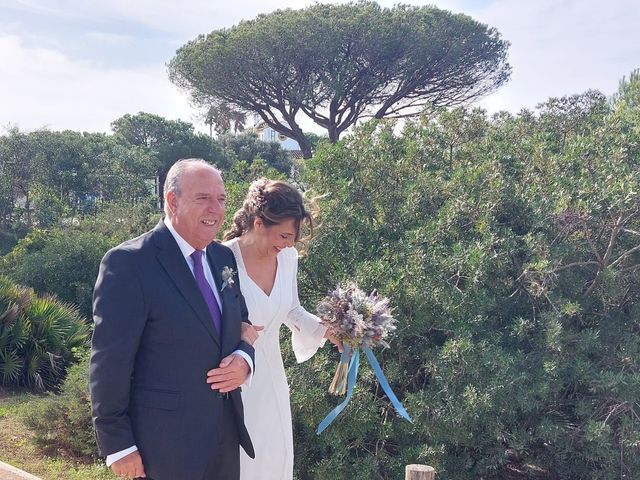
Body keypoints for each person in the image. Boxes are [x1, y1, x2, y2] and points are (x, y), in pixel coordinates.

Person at [90, 159, 255, 480]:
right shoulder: (129, 263)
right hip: (162, 447)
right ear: (172, 200)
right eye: (203, 198)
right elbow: (109, 362)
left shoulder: (223, 257)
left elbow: (242, 320)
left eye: (221, 199)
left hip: (224, 438)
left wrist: (245, 359)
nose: (216, 208)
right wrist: (118, 445)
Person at [217, 178, 341, 480]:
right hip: (231, 380)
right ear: (258, 223)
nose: (288, 244)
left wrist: (329, 331)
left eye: (293, 238)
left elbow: (291, 309)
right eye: (284, 235)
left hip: (271, 376)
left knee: (274, 459)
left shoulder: (287, 259)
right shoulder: (220, 258)